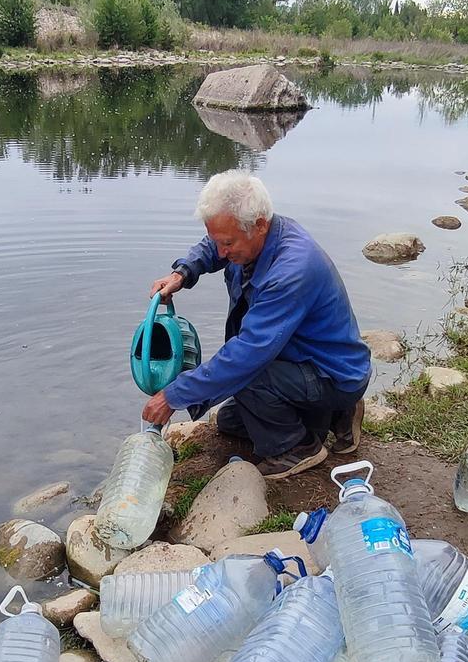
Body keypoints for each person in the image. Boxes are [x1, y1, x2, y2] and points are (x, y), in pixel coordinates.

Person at [141, 171, 372, 479]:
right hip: (305, 360)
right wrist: (182, 274)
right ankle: (336, 416)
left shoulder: (293, 269)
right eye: (217, 240)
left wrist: (173, 395)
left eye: (228, 243)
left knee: (248, 376)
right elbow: (212, 247)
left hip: (333, 373)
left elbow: (247, 354)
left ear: (259, 225)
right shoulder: (258, 233)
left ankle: (298, 449)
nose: (221, 252)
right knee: (230, 421)